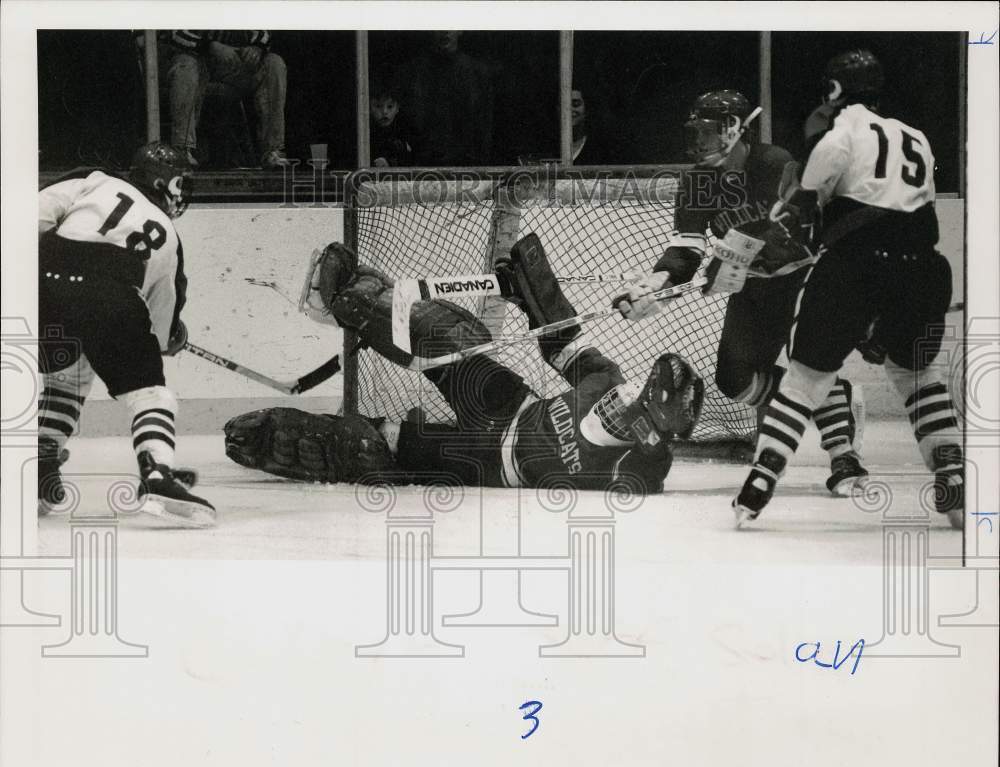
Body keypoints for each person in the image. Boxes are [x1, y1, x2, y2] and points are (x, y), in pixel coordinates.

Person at [224, 237, 704, 493]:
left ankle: (293, 437)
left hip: (484, 460)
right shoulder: (608, 382)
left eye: (636, 401)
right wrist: (534, 296)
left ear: (648, 430)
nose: (623, 395)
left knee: (369, 450)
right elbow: (559, 344)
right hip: (509, 406)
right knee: (454, 336)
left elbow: (648, 473)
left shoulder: (635, 468)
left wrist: (652, 438)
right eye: (634, 388)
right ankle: (347, 300)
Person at [733, 50, 963, 529]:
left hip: (855, 267)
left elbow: (802, 210)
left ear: (835, 91)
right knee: (917, 376)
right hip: (923, 268)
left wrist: (778, 229)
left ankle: (760, 480)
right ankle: (952, 471)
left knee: (805, 380)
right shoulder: (917, 137)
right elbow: (917, 212)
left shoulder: (840, 133)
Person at [616, 89, 868, 496]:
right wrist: (657, 282)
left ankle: (844, 457)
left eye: (709, 132)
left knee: (808, 364)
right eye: (695, 132)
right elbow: (687, 249)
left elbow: (799, 234)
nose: (699, 142)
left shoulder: (774, 165)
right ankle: (833, 398)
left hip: (804, 278)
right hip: (754, 288)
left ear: (735, 129)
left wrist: (743, 257)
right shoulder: (698, 180)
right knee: (733, 378)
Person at [37, 142, 215, 527]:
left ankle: (41, 462)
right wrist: (171, 336)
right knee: (151, 395)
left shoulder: (94, 181)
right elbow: (162, 312)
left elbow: (33, 216)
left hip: (45, 283)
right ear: (164, 182)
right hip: (111, 289)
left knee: (66, 381)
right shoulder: (166, 233)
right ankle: (157, 476)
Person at [167, 30, 290, 169]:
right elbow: (176, 34)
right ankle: (182, 149)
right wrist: (210, 46)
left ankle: (272, 151)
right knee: (185, 64)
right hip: (199, 60)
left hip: (235, 63)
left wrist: (257, 47)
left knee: (274, 63)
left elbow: (264, 32)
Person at [394, 31, 494, 165]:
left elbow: (484, 127)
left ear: (461, 30)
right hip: (421, 166)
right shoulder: (411, 73)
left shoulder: (477, 73)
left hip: (468, 167)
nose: (445, 31)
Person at [369, 81, 414, 168]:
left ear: (397, 108)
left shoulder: (405, 132)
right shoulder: (365, 133)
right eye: (378, 106)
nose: (384, 112)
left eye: (390, 106)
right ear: (369, 108)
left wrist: (390, 163)